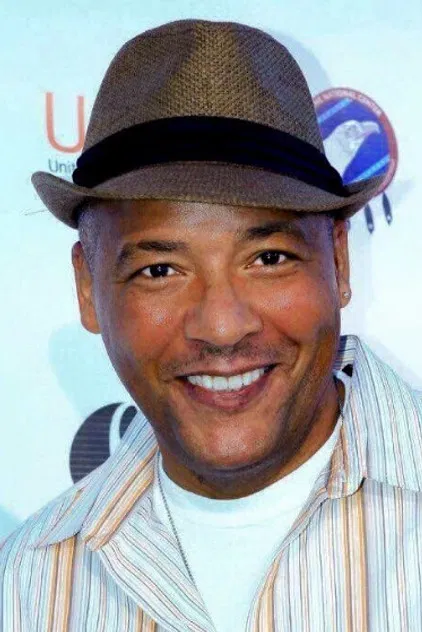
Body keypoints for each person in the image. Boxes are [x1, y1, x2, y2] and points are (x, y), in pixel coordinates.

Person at [1, 19, 421, 632]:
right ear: (87, 288)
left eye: (269, 259)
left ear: (339, 260)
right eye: (160, 270)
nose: (222, 327)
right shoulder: (26, 585)